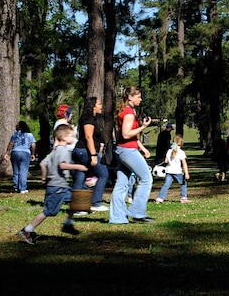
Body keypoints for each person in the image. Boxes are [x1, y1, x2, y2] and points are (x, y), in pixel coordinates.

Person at [16, 124, 88, 245]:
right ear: (64, 137)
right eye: (71, 136)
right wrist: (78, 166)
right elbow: (63, 165)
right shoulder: (63, 150)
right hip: (58, 187)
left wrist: (44, 178)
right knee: (48, 212)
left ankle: (68, 224)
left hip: (60, 186)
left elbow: (43, 164)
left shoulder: (54, 151)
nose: (73, 138)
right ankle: (27, 230)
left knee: (79, 198)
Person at [109, 86, 155, 224]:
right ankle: (137, 212)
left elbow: (127, 136)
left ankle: (117, 218)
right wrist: (143, 127)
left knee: (121, 184)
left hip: (123, 149)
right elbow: (125, 134)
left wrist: (142, 147)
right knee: (146, 178)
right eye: (138, 97)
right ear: (130, 97)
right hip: (127, 151)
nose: (141, 99)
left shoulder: (127, 111)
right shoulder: (129, 113)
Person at [72, 97, 110, 212]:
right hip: (85, 152)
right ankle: (95, 202)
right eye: (99, 104)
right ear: (93, 106)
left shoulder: (92, 118)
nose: (101, 106)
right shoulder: (88, 119)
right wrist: (93, 155)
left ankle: (79, 208)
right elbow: (89, 137)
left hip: (80, 151)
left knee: (80, 177)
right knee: (103, 174)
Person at [156, 135, 191, 204]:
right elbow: (184, 164)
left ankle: (159, 198)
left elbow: (166, 161)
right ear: (181, 143)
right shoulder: (181, 152)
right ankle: (183, 198)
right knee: (183, 184)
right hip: (177, 171)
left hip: (169, 171)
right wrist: (186, 173)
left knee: (166, 185)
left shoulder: (169, 151)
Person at [4, 121, 37, 194]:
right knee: (23, 171)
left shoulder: (15, 134)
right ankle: (22, 188)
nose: (16, 126)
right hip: (25, 153)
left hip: (15, 152)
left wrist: (7, 153)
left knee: (16, 171)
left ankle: (16, 187)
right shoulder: (29, 135)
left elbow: (10, 144)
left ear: (19, 127)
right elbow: (33, 145)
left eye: (17, 125)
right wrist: (33, 153)